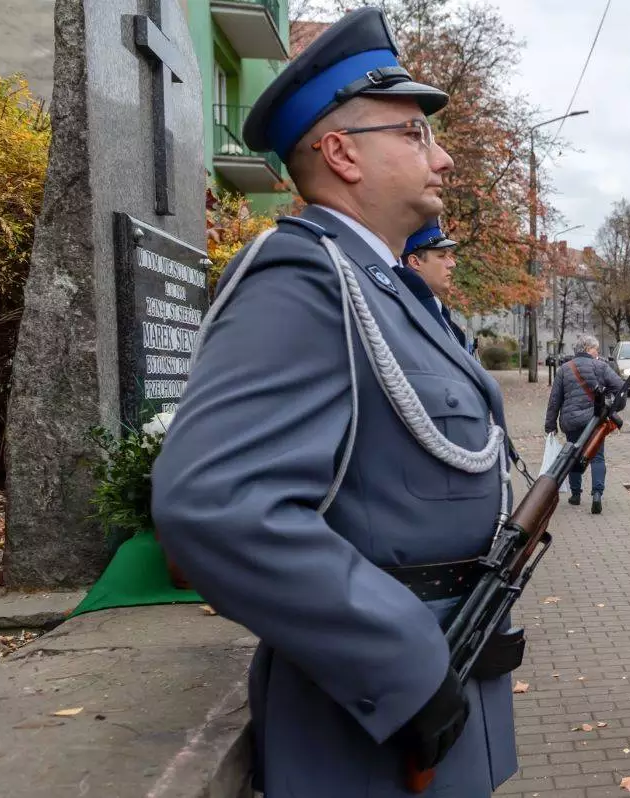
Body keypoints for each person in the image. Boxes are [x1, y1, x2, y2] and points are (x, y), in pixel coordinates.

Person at [151, 9, 519, 797]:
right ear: (343, 153)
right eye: (414, 135)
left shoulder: (388, 291)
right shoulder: (304, 280)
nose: (444, 157)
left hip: (448, 672)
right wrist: (407, 669)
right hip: (372, 715)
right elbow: (216, 503)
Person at [543, 334, 626, 514]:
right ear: (588, 349)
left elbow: (554, 400)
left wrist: (550, 426)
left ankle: (575, 495)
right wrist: (611, 406)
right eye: (595, 348)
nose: (597, 352)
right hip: (595, 419)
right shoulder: (601, 366)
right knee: (597, 457)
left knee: (573, 453)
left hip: (571, 420)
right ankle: (597, 494)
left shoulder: (564, 369)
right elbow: (620, 387)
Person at [397, 218, 470, 350]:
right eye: (441, 256)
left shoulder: (436, 311)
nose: (452, 264)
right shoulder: (406, 316)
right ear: (415, 262)